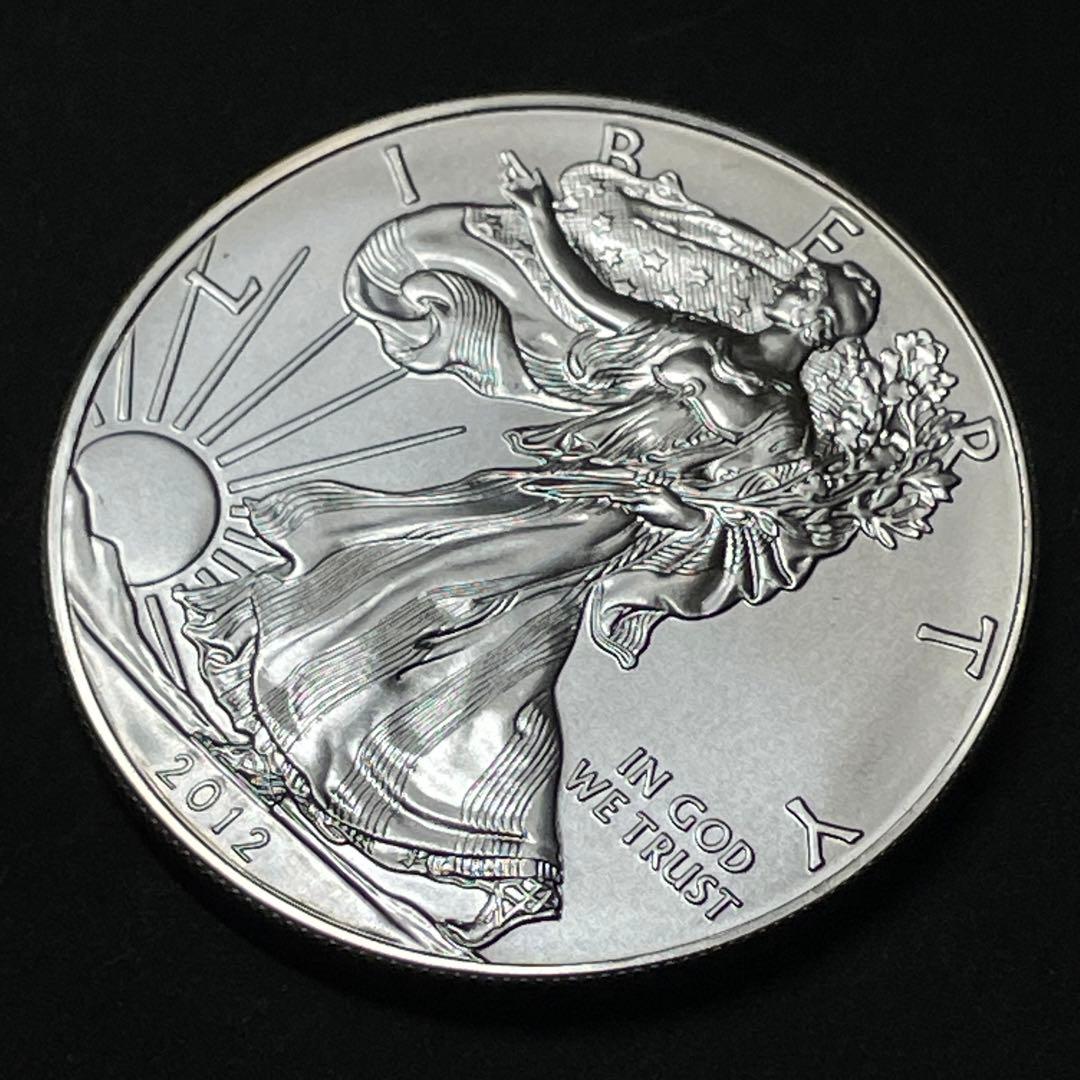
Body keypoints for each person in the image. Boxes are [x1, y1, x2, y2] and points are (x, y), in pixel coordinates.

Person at [175, 158, 879, 949]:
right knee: (455, 641)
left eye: (807, 288)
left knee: (431, 607)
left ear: (819, 321)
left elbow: (766, 530)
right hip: (548, 487)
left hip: (596, 529)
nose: (789, 287)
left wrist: (675, 509)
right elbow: (596, 302)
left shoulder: (781, 422)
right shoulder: (704, 340)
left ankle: (509, 870)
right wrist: (541, 217)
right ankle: (298, 759)